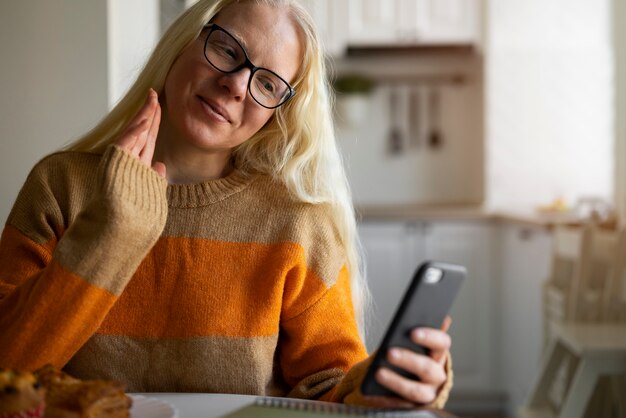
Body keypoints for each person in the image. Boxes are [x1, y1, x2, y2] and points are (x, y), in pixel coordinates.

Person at [0, 0, 453, 409]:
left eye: (269, 83)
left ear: (279, 110)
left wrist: (389, 387)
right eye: (228, 50)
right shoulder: (61, 185)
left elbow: (329, 391)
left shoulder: (298, 224)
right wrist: (111, 237)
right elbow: (8, 370)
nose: (236, 85)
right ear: (185, 41)